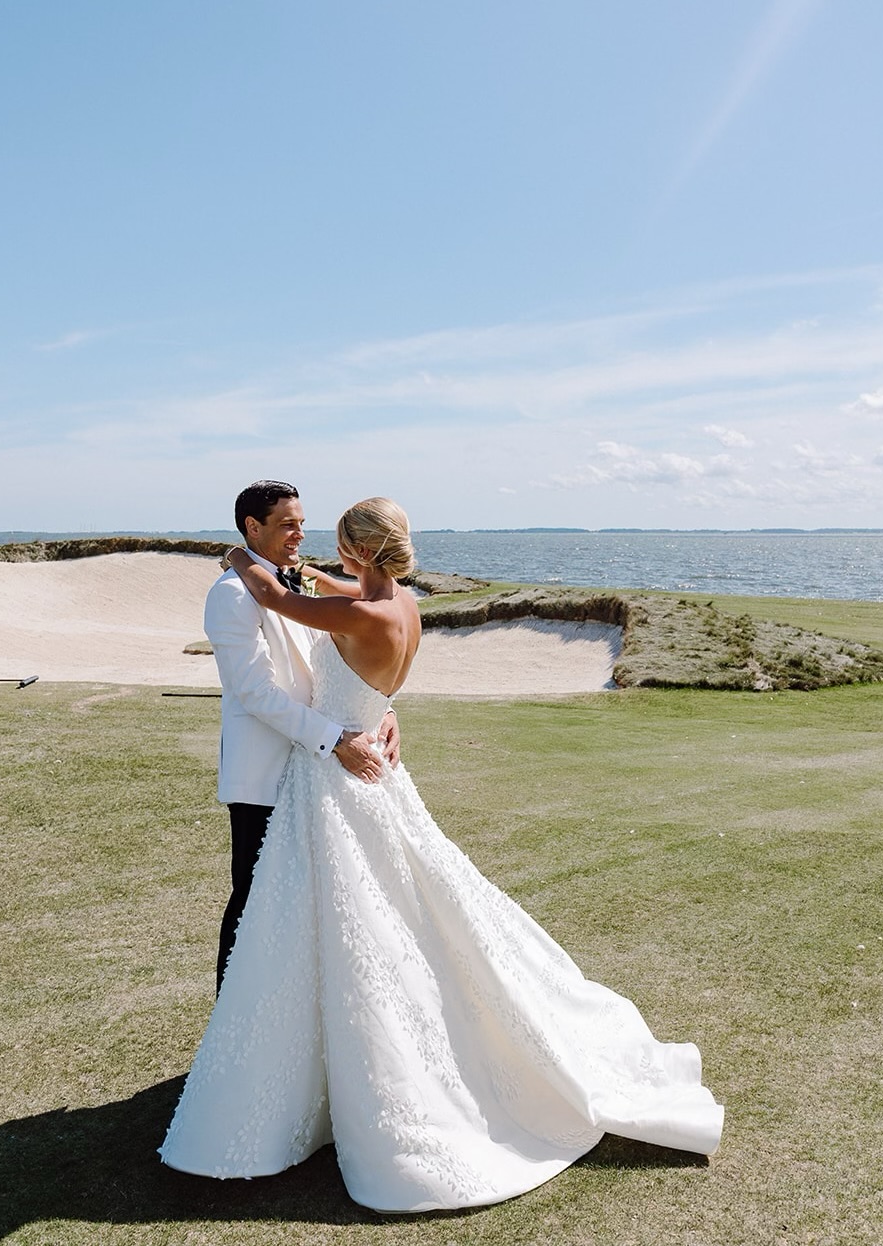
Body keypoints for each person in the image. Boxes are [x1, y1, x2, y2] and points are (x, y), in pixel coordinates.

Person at [162, 497, 723, 1212]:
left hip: (336, 775)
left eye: (324, 535)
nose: (306, 542)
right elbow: (299, 630)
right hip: (336, 772)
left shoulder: (343, 607)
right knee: (352, 913)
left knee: (361, 920)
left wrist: (243, 560)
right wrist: (374, 708)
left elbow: (278, 595)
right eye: (290, 526)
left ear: (358, 551)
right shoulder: (395, 604)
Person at [204, 479, 399, 994]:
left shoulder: (297, 585)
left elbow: (332, 664)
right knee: (253, 903)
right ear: (253, 527)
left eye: (302, 524)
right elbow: (254, 693)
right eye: (288, 525)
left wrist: (381, 708)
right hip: (264, 775)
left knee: (311, 907)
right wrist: (336, 738)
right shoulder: (229, 595)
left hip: (315, 774)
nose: (299, 534)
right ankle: (233, 1018)